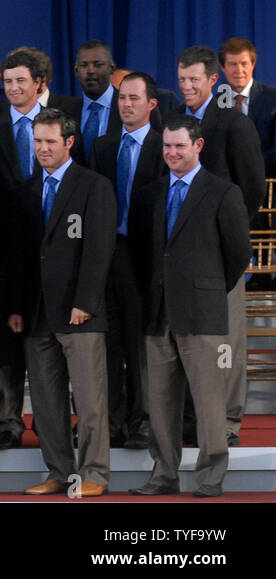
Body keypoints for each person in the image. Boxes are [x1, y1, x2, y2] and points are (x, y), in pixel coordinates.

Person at [129, 115, 250, 497]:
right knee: (160, 404)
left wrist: (207, 290)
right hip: (158, 312)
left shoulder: (222, 192)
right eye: (166, 146)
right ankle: (163, 475)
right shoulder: (149, 193)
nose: (171, 153)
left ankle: (210, 477)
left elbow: (238, 256)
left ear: (198, 147)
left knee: (208, 402)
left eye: (179, 146)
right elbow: (140, 251)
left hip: (201, 312)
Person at [8, 109, 115, 497]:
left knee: (89, 404)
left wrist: (85, 300)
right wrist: (17, 307)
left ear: (69, 142)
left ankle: (94, 474)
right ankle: (59, 472)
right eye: (37, 141)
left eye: (50, 141)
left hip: (80, 314)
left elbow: (99, 248)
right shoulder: (26, 191)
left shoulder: (93, 186)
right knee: (48, 406)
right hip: (37, 315)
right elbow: (21, 257)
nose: (42, 149)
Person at [174, 44, 265, 443]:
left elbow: (253, 188)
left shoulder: (233, 123)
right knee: (190, 341)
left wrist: (232, 239)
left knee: (227, 340)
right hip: (180, 255)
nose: (187, 86)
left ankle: (227, 423)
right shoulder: (172, 123)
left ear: (213, 80)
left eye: (194, 79)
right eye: (181, 80)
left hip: (221, 254)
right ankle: (194, 420)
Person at [0, 46, 51, 448]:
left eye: (22, 80)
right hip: (1, 253)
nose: (14, 88)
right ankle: (6, 421)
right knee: (0, 341)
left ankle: (51, 422)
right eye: (8, 82)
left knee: (44, 340)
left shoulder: (60, 123)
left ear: (39, 83)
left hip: (50, 250)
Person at [89, 71, 166, 449]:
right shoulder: (102, 147)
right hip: (107, 256)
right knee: (108, 343)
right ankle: (113, 423)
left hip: (144, 257)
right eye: (122, 98)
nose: (126, 105)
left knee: (139, 345)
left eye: (134, 98)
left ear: (151, 104)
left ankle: (142, 421)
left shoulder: (162, 146)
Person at [218, 37, 276, 174]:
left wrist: (247, 167)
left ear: (253, 65)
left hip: (267, 183)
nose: (239, 70)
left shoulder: (273, 97)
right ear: (223, 67)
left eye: (244, 64)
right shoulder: (217, 103)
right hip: (228, 187)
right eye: (232, 64)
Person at [73, 40, 117, 162]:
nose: (91, 71)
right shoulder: (66, 111)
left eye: (98, 64)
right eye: (84, 65)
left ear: (111, 68)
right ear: (76, 71)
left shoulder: (128, 107)